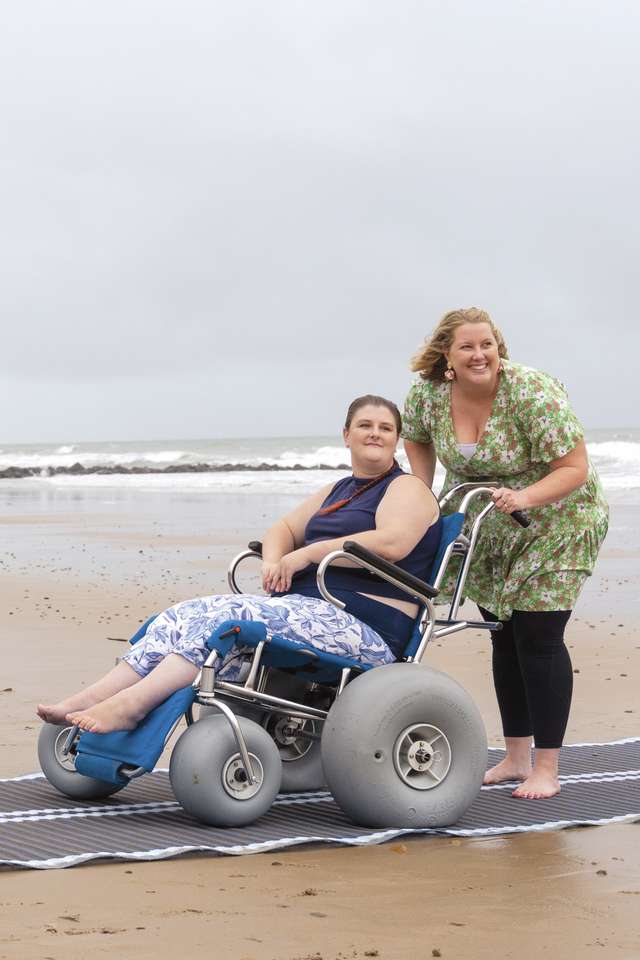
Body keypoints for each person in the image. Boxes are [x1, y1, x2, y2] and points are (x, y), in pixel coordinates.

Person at [38, 395, 441, 736]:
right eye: (365, 425)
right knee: (183, 615)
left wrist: (304, 554)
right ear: (346, 435)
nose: (375, 433)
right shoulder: (338, 490)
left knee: (229, 616)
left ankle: (132, 705)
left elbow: (393, 543)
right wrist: (274, 562)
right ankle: (96, 696)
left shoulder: (408, 488)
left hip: (365, 626)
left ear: (396, 440)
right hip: (308, 610)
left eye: (385, 428)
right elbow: (281, 528)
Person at [402, 307, 608, 800]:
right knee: (504, 635)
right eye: (468, 347)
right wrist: (422, 501)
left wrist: (525, 497)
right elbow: (417, 443)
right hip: (487, 525)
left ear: (499, 348)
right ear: (446, 356)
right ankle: (516, 757)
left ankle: (547, 768)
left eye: (487, 345)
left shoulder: (531, 392)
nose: (480, 355)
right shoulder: (427, 395)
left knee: (538, 636)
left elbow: (574, 468)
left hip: (557, 518)